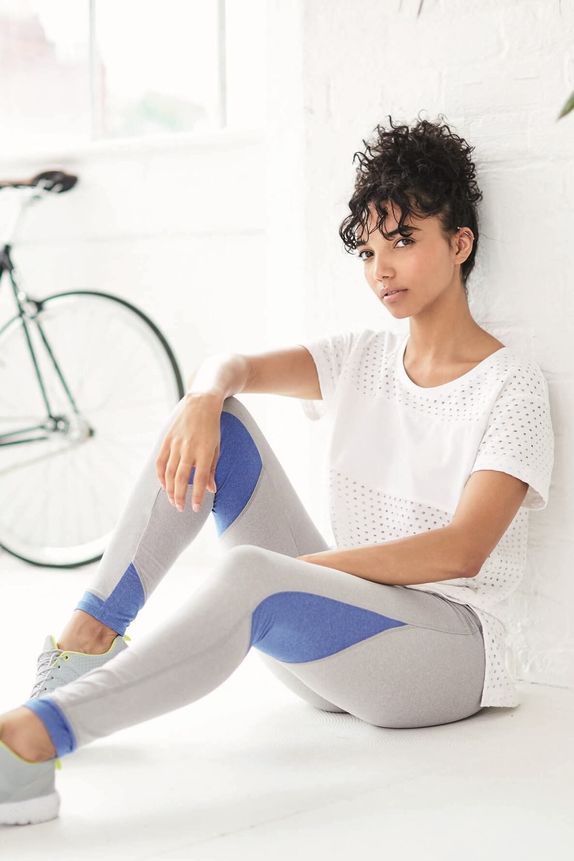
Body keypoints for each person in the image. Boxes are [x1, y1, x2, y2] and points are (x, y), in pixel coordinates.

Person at [0, 114, 554, 826]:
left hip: (446, 658)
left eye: (404, 240)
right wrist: (203, 397)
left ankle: (33, 737)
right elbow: (228, 366)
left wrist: (305, 572)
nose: (381, 269)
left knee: (254, 571)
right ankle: (86, 640)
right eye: (369, 249)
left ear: (460, 243)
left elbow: (462, 550)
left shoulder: (511, 384)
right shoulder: (363, 357)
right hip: (339, 645)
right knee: (219, 423)